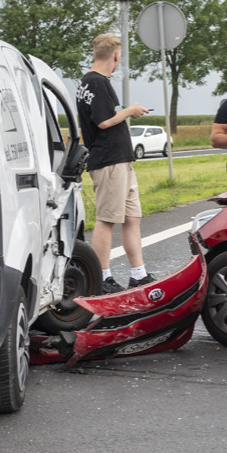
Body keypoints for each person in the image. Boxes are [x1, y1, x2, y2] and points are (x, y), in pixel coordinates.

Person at [76, 33, 155, 294]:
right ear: (116, 55)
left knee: (132, 218)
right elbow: (104, 120)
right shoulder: (97, 83)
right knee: (107, 219)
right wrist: (131, 110)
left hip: (120, 159)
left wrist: (124, 111)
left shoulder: (87, 83)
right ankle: (102, 278)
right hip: (109, 160)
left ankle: (138, 274)